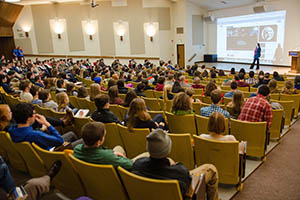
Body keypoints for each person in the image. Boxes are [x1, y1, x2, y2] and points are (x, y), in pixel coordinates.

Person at [132, 129, 219, 200]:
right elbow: (189, 185)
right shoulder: (180, 172)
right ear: (168, 150)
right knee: (211, 168)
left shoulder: (137, 165)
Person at [8, 103, 82, 150]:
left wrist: (41, 130)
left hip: (39, 151)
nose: (35, 115)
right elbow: (60, 141)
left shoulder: (12, 129)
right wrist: (47, 124)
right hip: (51, 152)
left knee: (71, 134)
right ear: (28, 118)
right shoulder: (35, 135)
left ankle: (62, 122)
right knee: (82, 140)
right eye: (34, 113)